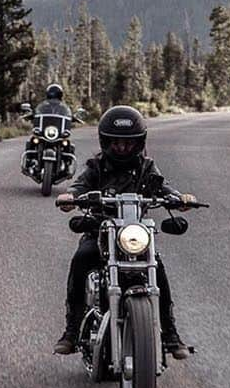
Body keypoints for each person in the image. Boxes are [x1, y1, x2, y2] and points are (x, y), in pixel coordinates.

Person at [53, 104, 191, 360]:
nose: (123, 148)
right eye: (117, 143)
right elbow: (79, 185)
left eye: (128, 144)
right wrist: (71, 197)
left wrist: (177, 198)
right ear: (106, 142)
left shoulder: (146, 167)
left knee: (157, 270)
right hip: (100, 233)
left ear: (139, 143)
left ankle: (170, 332)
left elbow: (162, 187)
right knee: (82, 258)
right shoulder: (96, 166)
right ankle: (71, 329)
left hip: (134, 237)